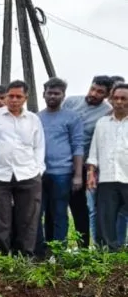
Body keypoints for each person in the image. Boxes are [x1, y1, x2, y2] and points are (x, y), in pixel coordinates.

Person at [0, 79, 45, 256]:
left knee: (28, 219)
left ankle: (25, 257)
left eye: (18, 96)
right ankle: (2, 259)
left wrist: (39, 169)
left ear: (26, 98)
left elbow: (39, 146)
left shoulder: (33, 120)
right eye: (10, 96)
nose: (14, 100)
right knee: (0, 219)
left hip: (28, 174)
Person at [37, 77, 84, 253]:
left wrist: (78, 175)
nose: (53, 96)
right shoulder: (36, 118)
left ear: (63, 96)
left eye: (57, 93)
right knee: (39, 214)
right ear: (44, 94)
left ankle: (59, 251)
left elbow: (78, 145)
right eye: (50, 93)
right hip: (40, 173)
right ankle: (42, 251)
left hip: (63, 173)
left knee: (59, 213)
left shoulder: (72, 117)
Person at [65, 75, 113, 246]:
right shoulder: (71, 102)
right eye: (93, 88)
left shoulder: (107, 111)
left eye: (100, 92)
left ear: (107, 95)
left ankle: (83, 247)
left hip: (83, 166)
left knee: (80, 208)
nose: (94, 93)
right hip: (60, 163)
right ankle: (55, 248)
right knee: (56, 208)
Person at [87, 81, 128, 250]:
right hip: (107, 178)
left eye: (123, 99)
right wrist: (91, 174)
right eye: (116, 98)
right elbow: (94, 152)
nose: (119, 102)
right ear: (111, 99)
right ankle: (110, 254)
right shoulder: (102, 123)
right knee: (106, 218)